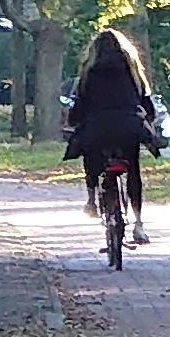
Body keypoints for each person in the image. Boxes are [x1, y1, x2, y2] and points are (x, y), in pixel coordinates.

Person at [60, 29, 162, 222]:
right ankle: (138, 222)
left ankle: (91, 200)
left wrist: (73, 121)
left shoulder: (89, 73)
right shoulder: (133, 72)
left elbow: (80, 104)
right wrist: (149, 119)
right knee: (133, 169)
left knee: (90, 155)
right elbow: (145, 102)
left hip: (98, 126)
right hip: (129, 125)